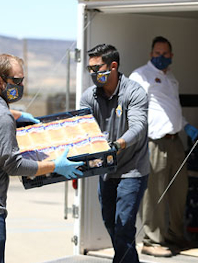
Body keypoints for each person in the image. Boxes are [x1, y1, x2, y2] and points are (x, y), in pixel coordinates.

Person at [0, 53, 84, 263]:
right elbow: (13, 165)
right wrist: (54, 165)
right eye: (17, 81)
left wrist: (17, 115)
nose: (21, 85)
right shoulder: (1, 116)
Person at [80, 44, 150, 263]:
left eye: (97, 68)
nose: (93, 74)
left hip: (132, 169)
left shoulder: (134, 91)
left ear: (113, 66)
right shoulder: (88, 97)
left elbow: (139, 127)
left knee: (123, 225)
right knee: (111, 223)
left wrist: (118, 144)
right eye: (89, 69)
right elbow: (81, 129)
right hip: (106, 170)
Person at [130, 36, 198, 257]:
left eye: (165, 54)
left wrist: (185, 125)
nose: (161, 57)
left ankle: (174, 235)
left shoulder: (171, 78)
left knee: (179, 190)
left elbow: (172, 108)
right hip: (154, 142)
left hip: (175, 141)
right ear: (151, 54)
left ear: (171, 56)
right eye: (157, 53)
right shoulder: (141, 76)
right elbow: (133, 108)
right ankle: (152, 239)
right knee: (154, 192)